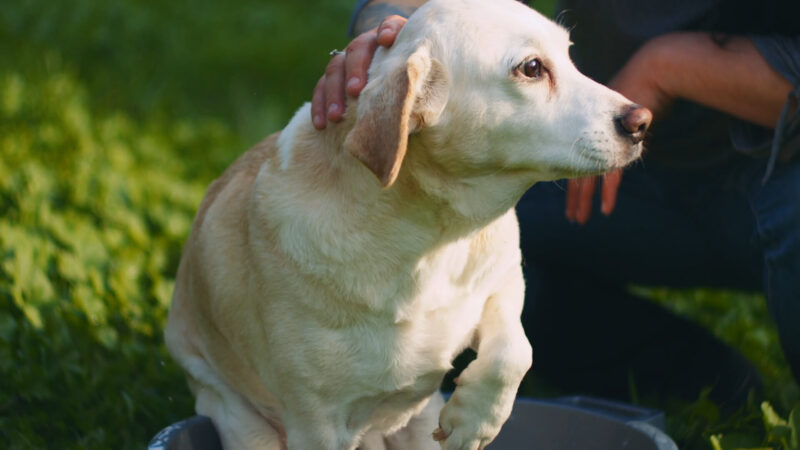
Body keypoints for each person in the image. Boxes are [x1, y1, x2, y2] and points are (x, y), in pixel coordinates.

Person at [312, 0, 800, 409]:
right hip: (610, 160)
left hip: (783, 176)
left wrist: (671, 65)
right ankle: (697, 376)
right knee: (459, 229)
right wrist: (390, 44)